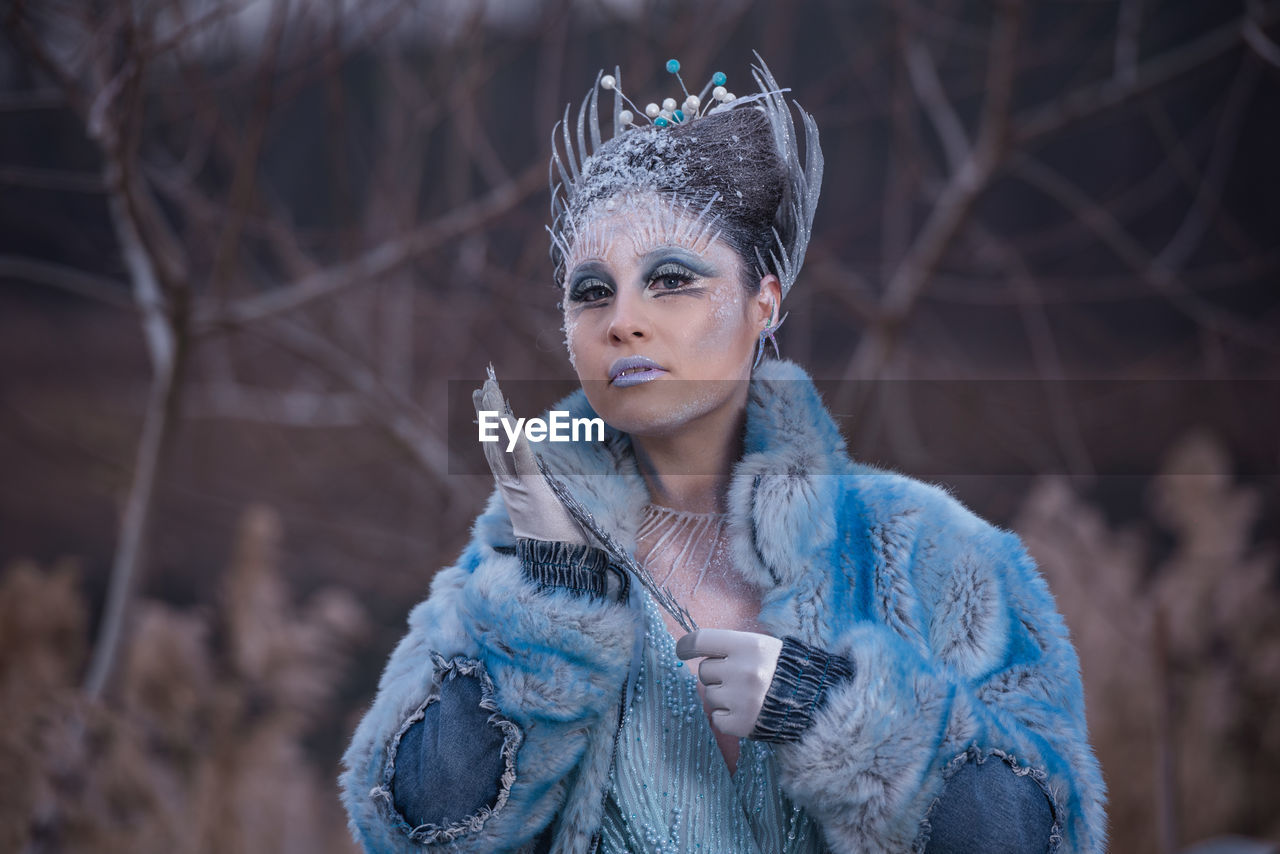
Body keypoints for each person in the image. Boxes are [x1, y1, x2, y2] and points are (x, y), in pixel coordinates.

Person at [339, 57, 1107, 854]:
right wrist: (544, 610)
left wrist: (829, 712)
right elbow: (411, 830)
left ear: (763, 300)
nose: (623, 321)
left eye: (670, 280)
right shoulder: (511, 568)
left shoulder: (933, 556)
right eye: (591, 291)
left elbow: (1040, 836)